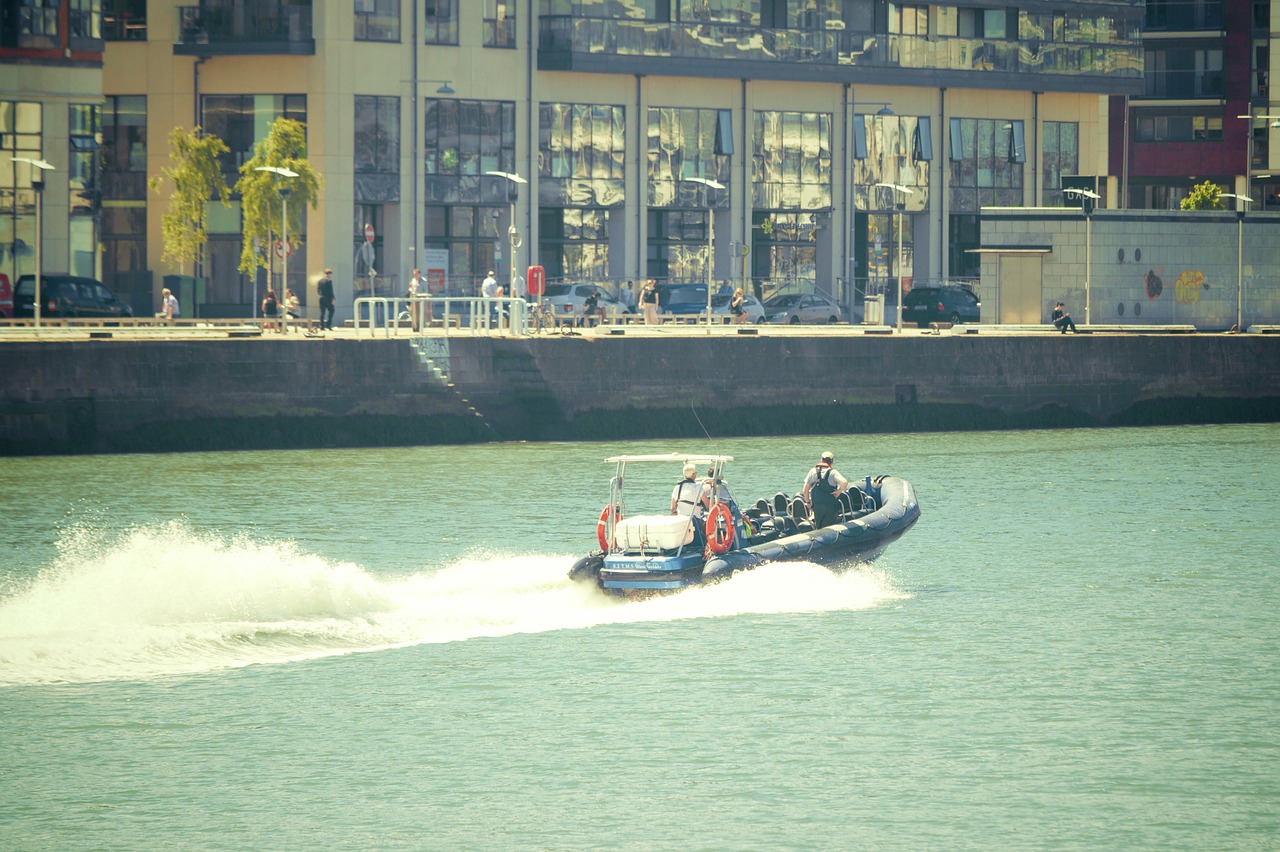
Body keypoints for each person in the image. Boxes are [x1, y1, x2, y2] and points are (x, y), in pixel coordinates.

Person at [802, 451, 850, 529]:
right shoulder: (833, 472)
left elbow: (805, 490)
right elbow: (844, 482)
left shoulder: (812, 471)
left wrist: (808, 503)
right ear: (832, 461)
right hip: (830, 506)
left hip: (817, 506)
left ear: (821, 460)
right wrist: (839, 491)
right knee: (829, 528)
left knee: (819, 527)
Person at [671, 462, 710, 547]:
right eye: (695, 473)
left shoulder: (677, 488)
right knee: (711, 526)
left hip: (681, 521)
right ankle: (708, 548)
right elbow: (708, 505)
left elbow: (673, 509)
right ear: (693, 475)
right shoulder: (698, 488)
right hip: (694, 521)